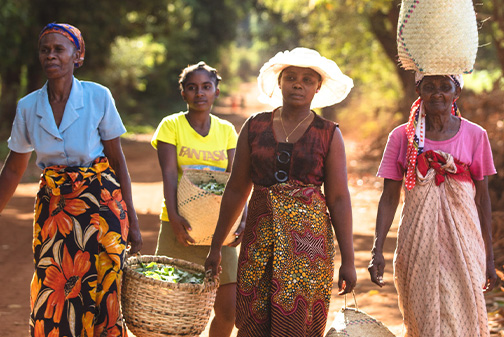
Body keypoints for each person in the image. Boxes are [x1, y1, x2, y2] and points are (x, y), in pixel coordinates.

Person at [0, 23, 142, 336]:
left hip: (102, 205)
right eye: (45, 50)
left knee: (105, 288)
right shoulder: (28, 107)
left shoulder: (97, 96)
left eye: (58, 49)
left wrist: (131, 217)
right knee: (55, 288)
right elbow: (13, 168)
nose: (50, 55)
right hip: (56, 209)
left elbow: (117, 161)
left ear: (77, 56)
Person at [205, 47, 357, 337]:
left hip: (307, 248)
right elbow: (237, 188)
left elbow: (338, 199)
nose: (298, 84)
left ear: (317, 87)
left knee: (298, 321)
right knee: (252, 319)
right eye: (290, 77)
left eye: (307, 80)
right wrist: (216, 246)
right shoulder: (255, 126)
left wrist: (349, 262)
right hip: (259, 239)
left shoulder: (328, 133)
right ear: (280, 82)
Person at [368, 73, 498, 336]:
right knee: (422, 312)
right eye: (429, 87)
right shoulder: (402, 137)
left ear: (456, 93)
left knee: (464, 309)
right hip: (418, 241)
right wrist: (376, 249)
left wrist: (489, 258)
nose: (437, 93)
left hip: (465, 242)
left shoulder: (475, 135)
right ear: (419, 91)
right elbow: (389, 197)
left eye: (444, 87)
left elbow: (483, 199)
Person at [150, 61, 245, 337]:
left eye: (206, 87)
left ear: (216, 91)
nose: (199, 93)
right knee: (174, 308)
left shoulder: (226, 130)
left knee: (230, 310)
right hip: (180, 227)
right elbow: (168, 174)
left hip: (220, 230)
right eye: (192, 88)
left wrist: (242, 216)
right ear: (183, 94)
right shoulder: (171, 126)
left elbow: (236, 179)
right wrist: (175, 219)